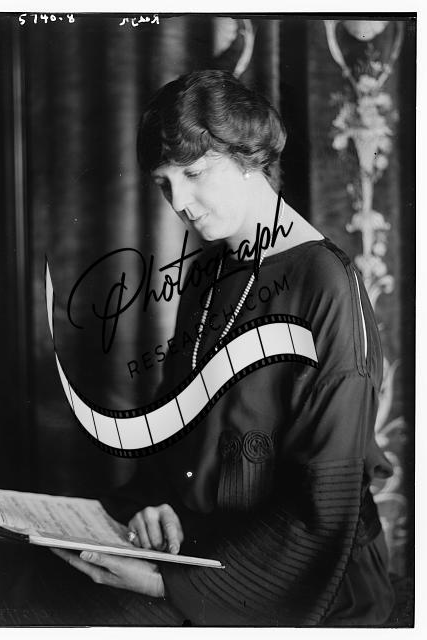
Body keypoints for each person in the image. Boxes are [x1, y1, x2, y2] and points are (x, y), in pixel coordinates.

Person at [52, 70, 395, 626]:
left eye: (193, 173)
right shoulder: (207, 272)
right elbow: (180, 430)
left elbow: (324, 508)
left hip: (304, 578)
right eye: (164, 183)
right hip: (203, 544)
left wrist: (166, 582)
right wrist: (156, 507)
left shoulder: (326, 282)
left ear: (250, 157)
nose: (180, 202)